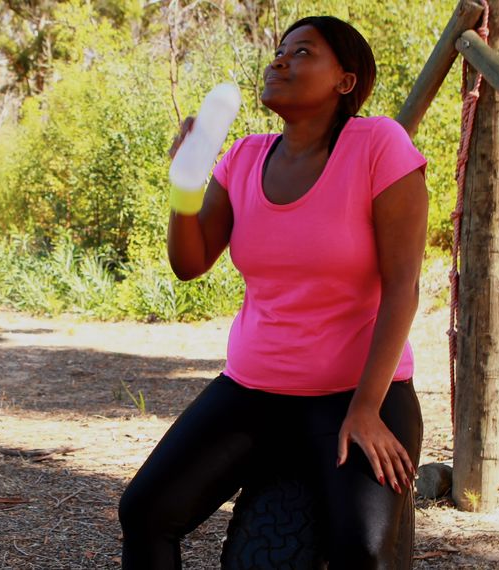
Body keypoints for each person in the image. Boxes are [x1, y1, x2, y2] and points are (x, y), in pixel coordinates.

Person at [118, 16, 427, 569]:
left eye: (303, 52)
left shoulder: (379, 144)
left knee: (364, 551)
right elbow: (189, 264)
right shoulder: (242, 157)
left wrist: (366, 409)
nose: (279, 60)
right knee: (144, 511)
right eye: (279, 50)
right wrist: (185, 182)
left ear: (345, 81)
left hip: (354, 394)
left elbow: (402, 288)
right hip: (253, 389)